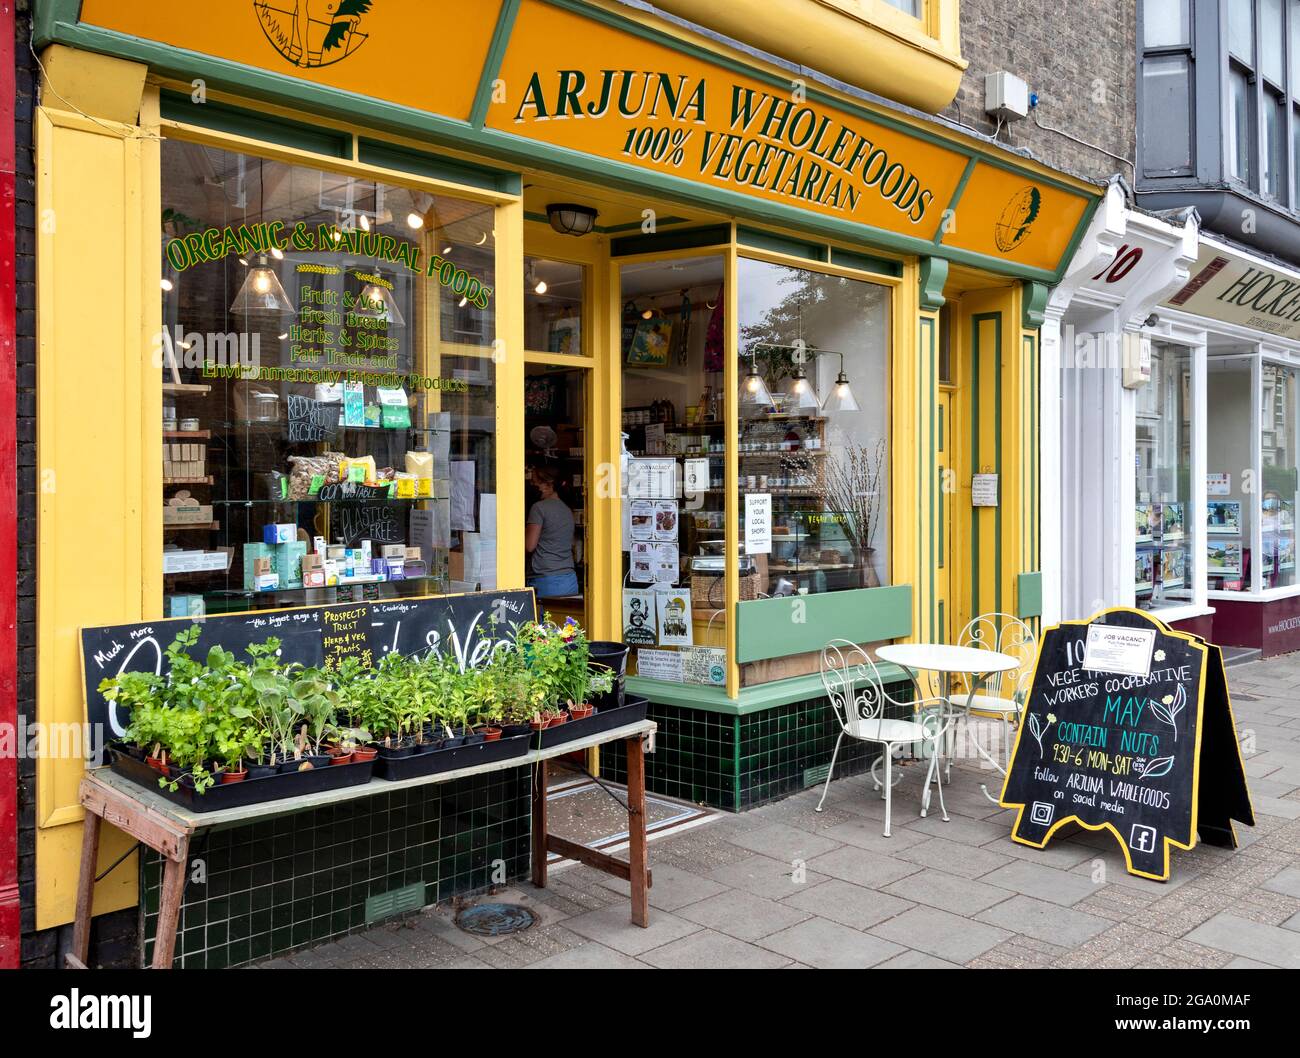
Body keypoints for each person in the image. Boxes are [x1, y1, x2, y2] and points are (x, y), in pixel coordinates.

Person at [525, 466, 579, 597]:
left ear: (548, 484)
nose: (531, 485)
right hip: (569, 579)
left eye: (534, 482)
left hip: (546, 579)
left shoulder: (538, 508)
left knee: (544, 617)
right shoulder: (567, 510)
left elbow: (529, 546)